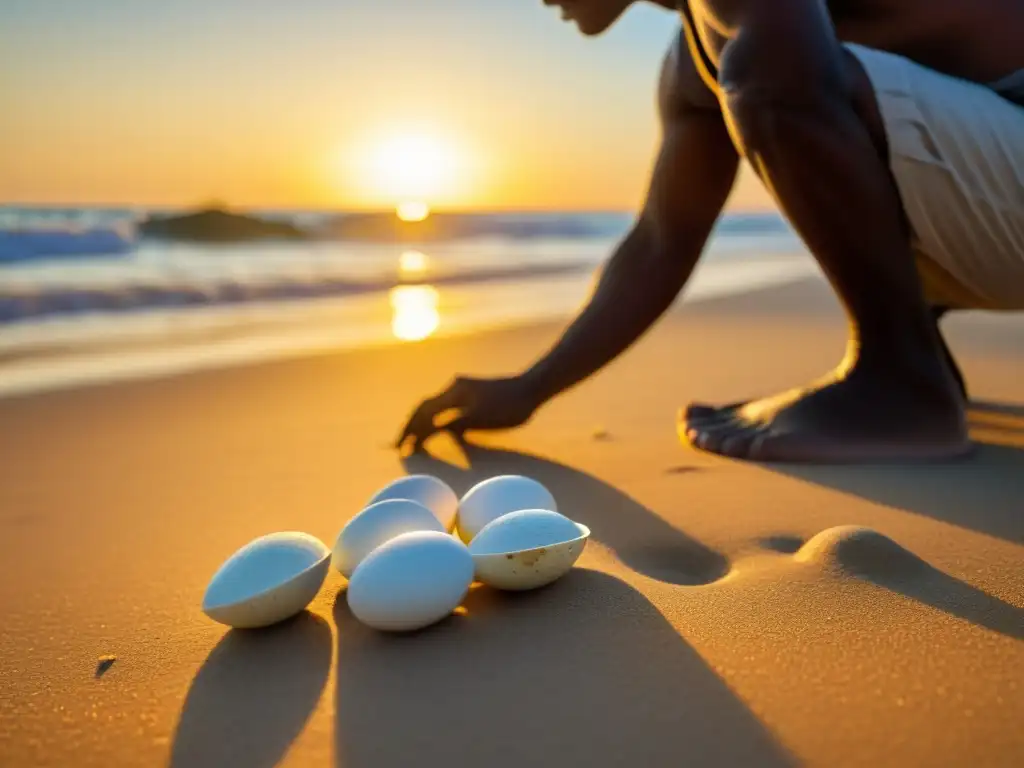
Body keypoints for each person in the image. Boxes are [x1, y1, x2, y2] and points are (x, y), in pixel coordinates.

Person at [397, 0, 1024, 463]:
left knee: (776, 70)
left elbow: (785, 86)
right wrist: (530, 386)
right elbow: (662, 240)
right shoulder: (698, 48)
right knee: (777, 78)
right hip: (1001, 215)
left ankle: (901, 379)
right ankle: (913, 351)